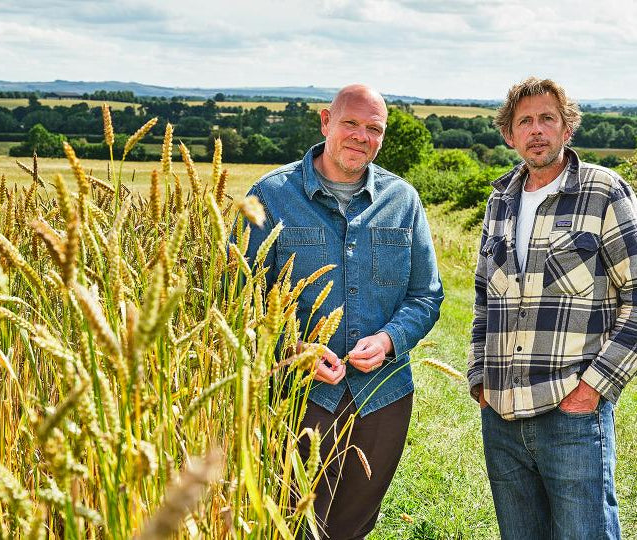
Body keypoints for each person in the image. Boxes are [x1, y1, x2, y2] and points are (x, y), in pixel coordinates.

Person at [243, 84, 443, 538]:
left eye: (374, 128)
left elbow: (426, 294)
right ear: (324, 122)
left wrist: (391, 338)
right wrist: (290, 350)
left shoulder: (402, 200)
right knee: (288, 522)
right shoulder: (272, 196)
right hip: (293, 395)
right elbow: (238, 296)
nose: (361, 136)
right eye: (350, 123)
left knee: (351, 526)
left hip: (382, 399)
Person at [468, 76, 637, 539]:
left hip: (571, 414)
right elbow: (484, 298)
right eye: (525, 121)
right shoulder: (499, 200)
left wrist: (593, 389)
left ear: (567, 129)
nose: (537, 130)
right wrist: (479, 379)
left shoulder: (605, 192)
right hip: (501, 417)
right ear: (509, 134)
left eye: (548, 118)